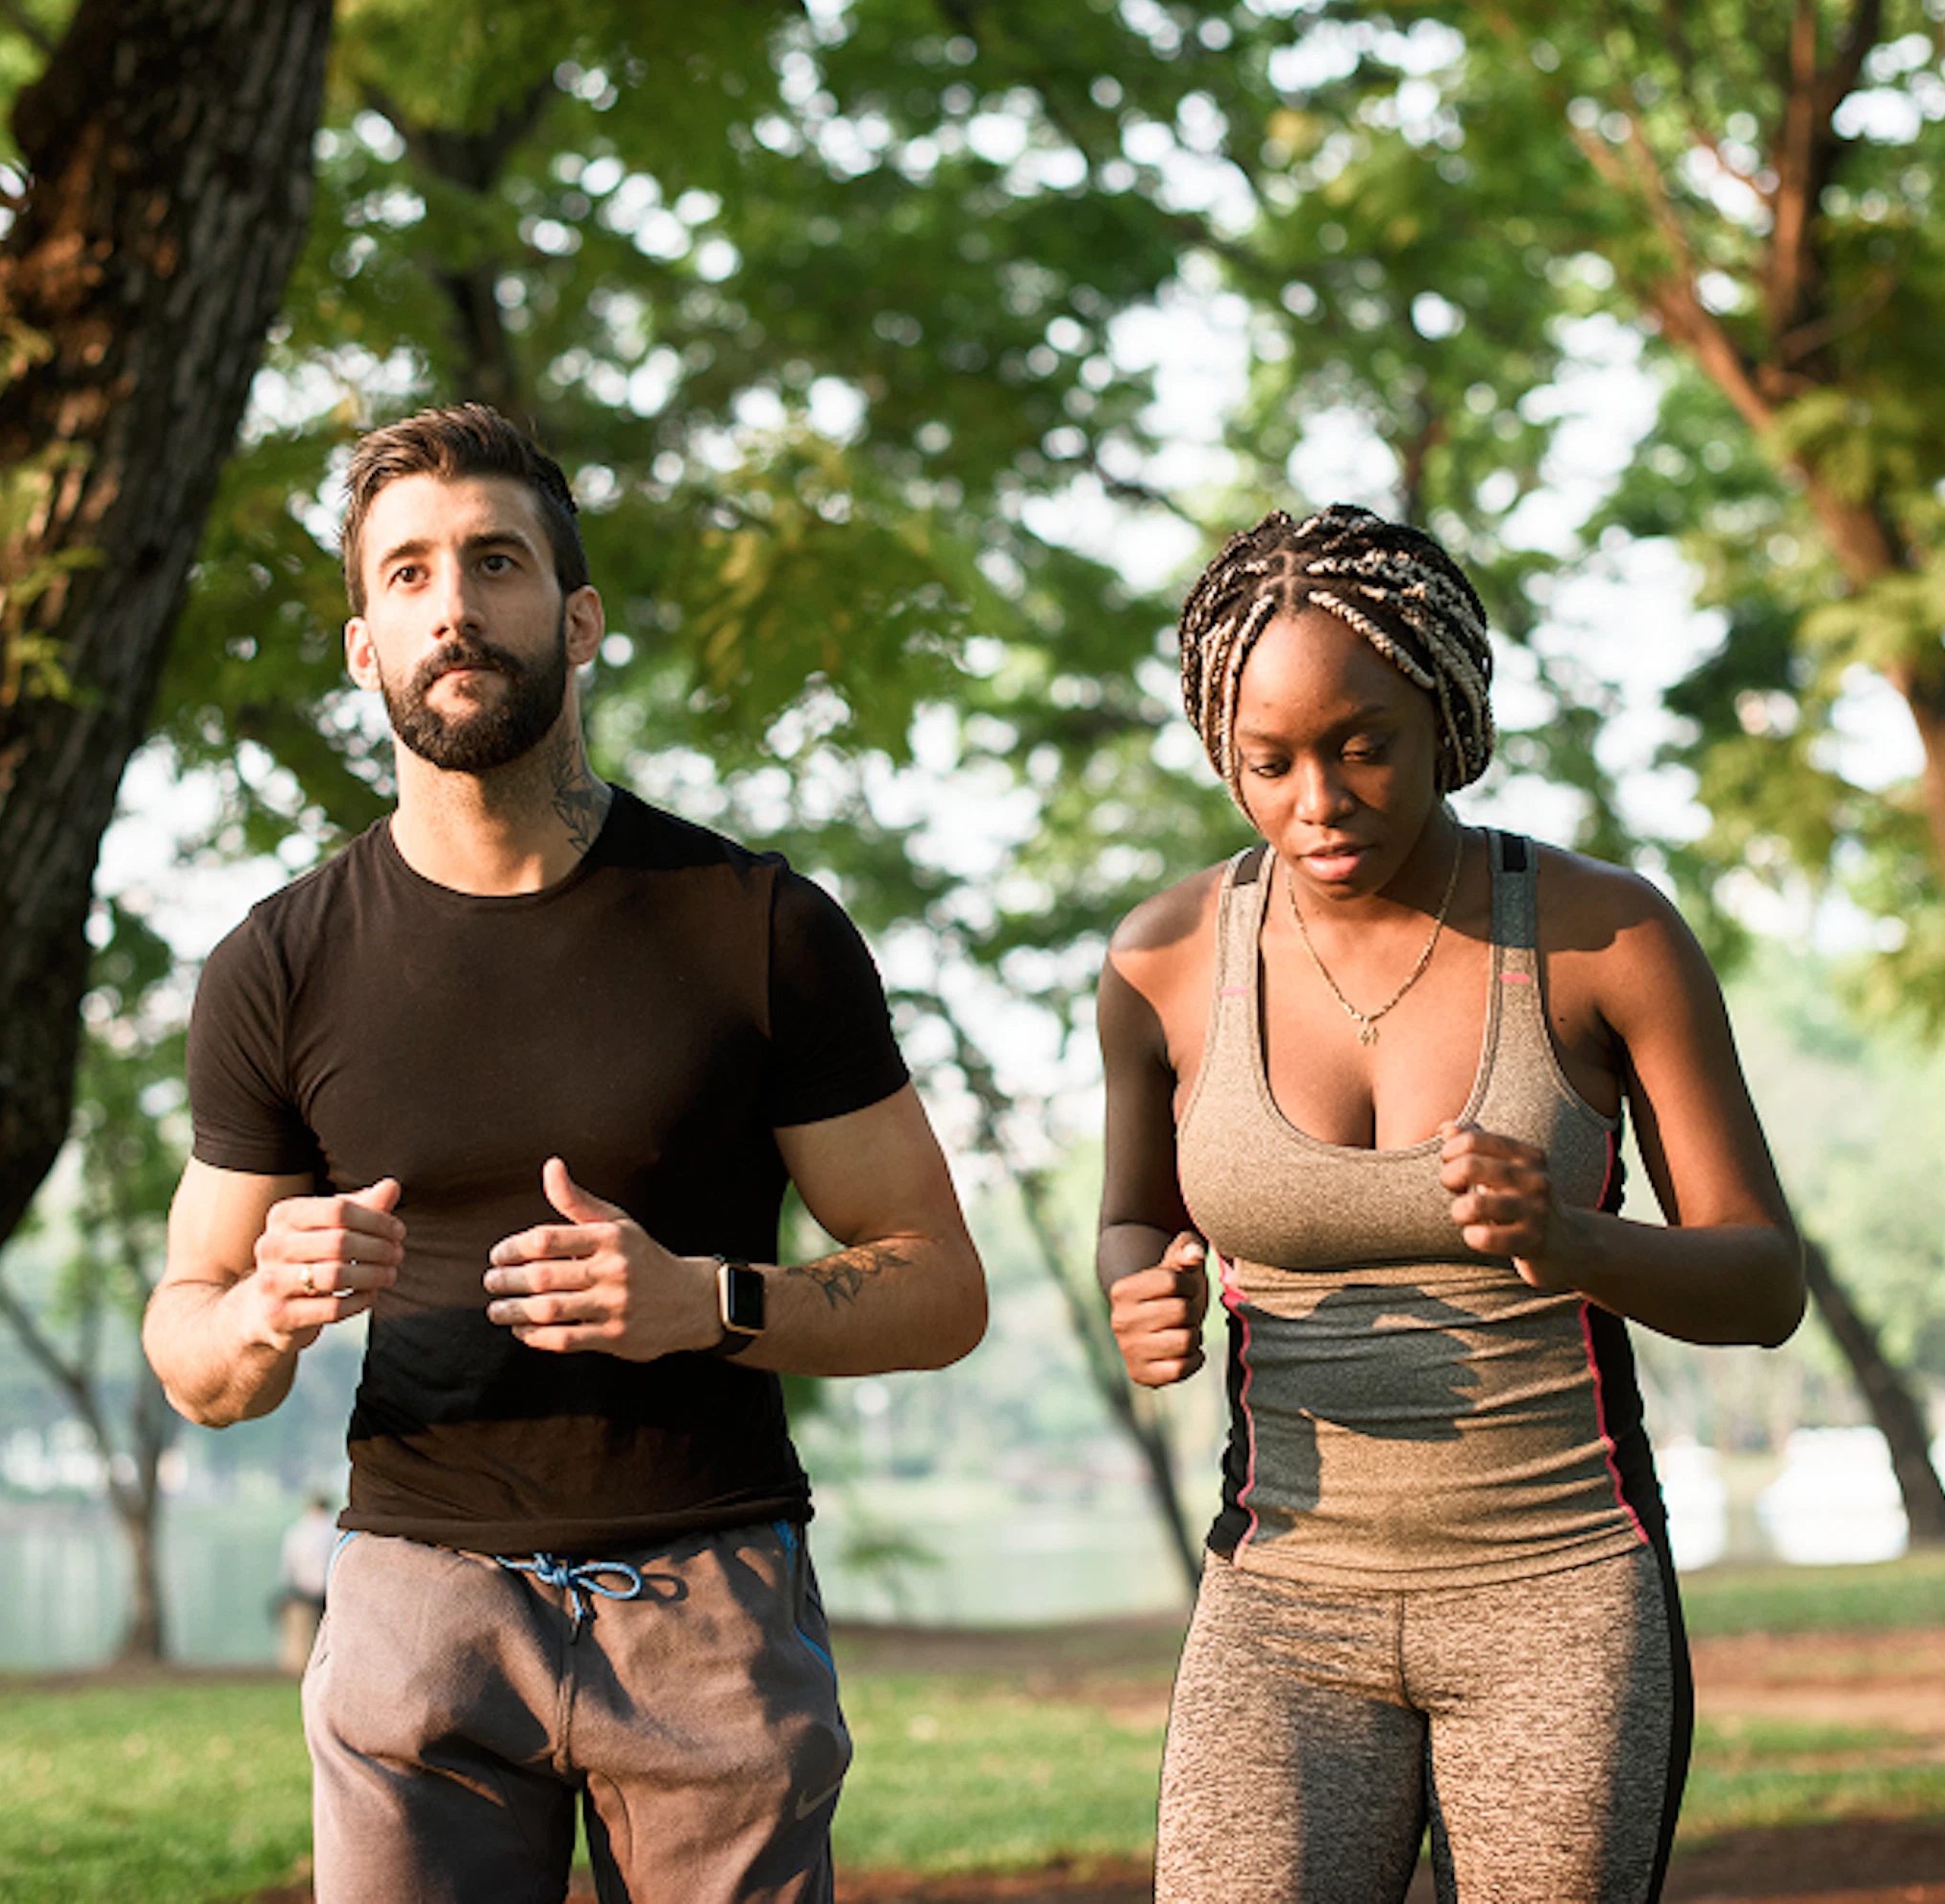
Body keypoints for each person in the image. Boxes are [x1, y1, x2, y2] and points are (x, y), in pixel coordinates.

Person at [143, 405, 989, 1904]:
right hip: (416, 1607)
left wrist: (705, 1305)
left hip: (708, 1597)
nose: (452, 606)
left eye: (494, 562)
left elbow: (940, 1288)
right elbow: (194, 1347)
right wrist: (267, 1306)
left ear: (578, 616)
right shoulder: (274, 964)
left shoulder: (759, 927)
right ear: (363, 647)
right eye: (405, 575)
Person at [1095, 505, 1804, 1904]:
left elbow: (1763, 1280)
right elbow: (1135, 1216)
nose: (1320, 800)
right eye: (1270, 762)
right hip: (1280, 1603)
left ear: (1448, 723)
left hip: (1561, 1591)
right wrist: (1145, 1295)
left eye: (1364, 746)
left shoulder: (1609, 936)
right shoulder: (1163, 960)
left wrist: (1569, 1238)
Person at [275, 1493, 337, 1670]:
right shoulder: (335, 1530)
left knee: (299, 1641)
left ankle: (296, 1669)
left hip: (302, 1593)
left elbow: (288, 1568)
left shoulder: (297, 1531)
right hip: (330, 1592)